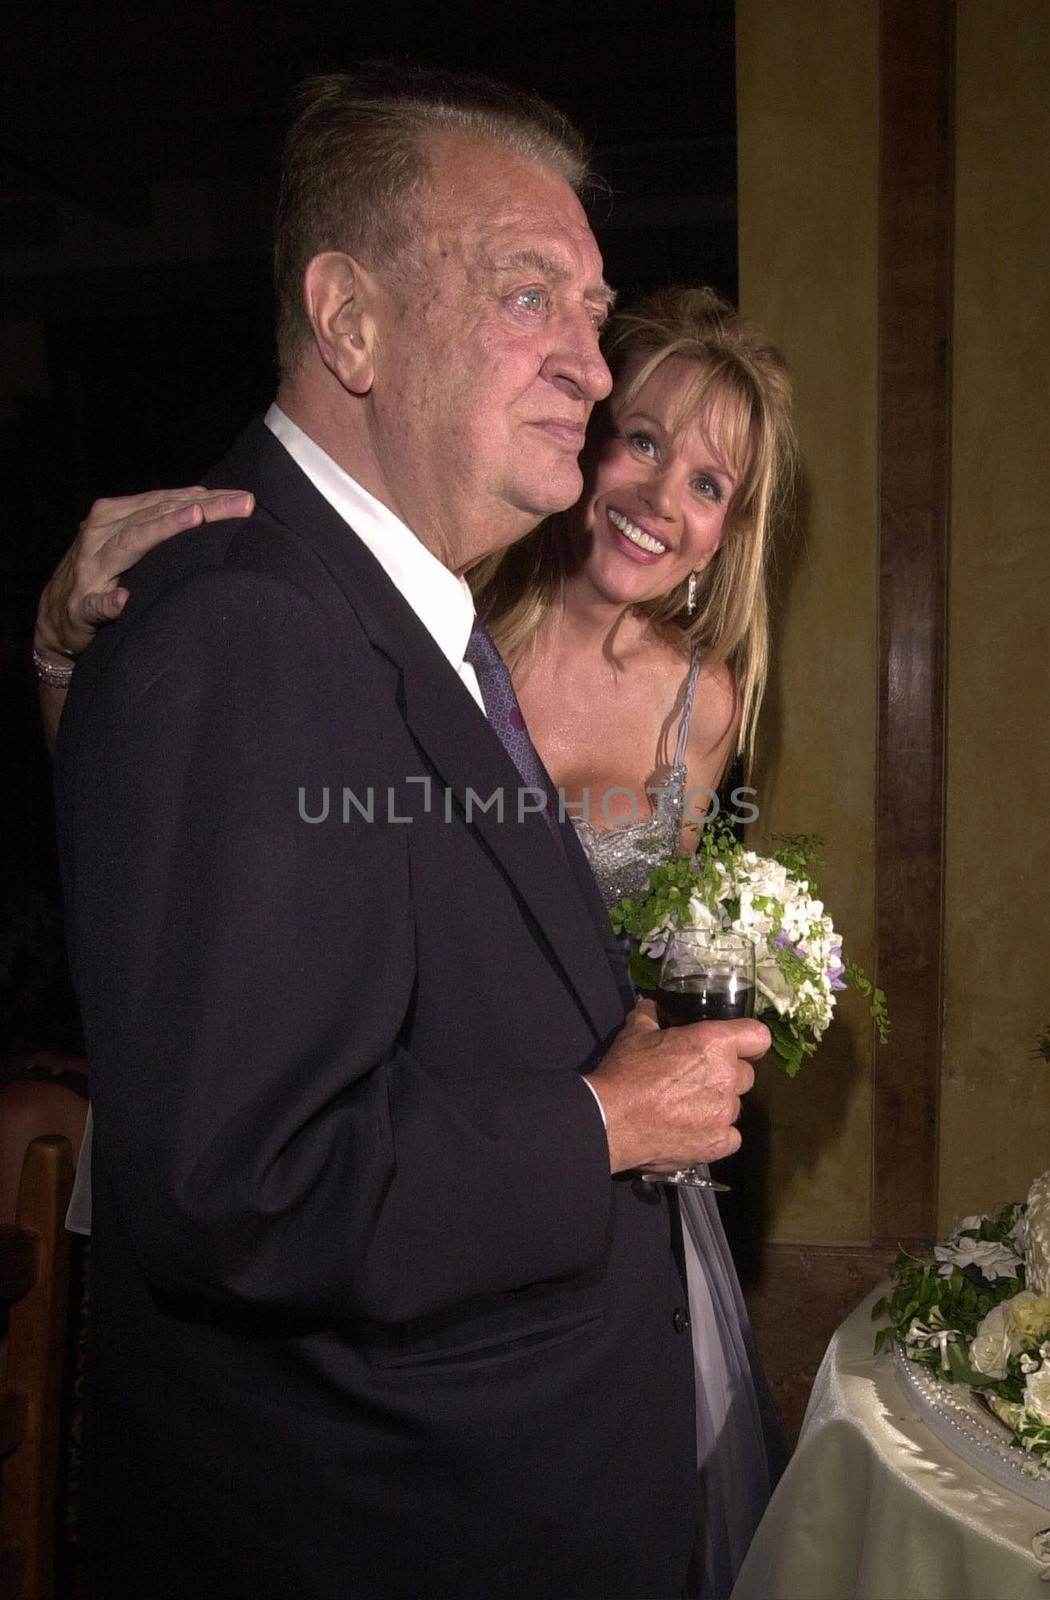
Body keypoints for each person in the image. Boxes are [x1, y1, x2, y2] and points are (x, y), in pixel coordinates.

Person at [43, 64, 770, 1600]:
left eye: (591, 308)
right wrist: (605, 1122)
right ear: (351, 321)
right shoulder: (252, 623)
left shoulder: (399, 612)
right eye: (529, 296)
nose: (589, 364)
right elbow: (247, 1184)